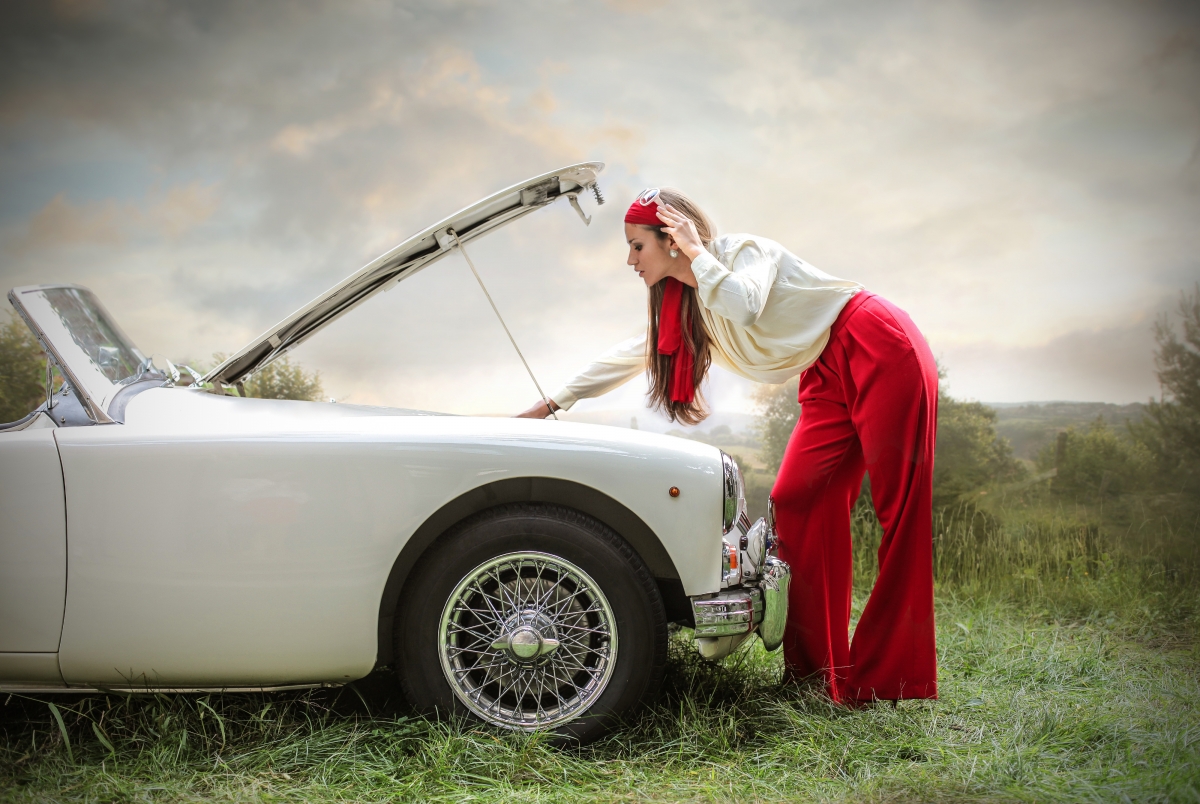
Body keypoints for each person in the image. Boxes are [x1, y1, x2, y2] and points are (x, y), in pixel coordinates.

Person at [517, 188, 938, 705]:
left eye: (637, 246)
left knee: (900, 509)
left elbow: (744, 305)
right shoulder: (689, 304)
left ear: (671, 240)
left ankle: (887, 680)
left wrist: (697, 251)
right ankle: (815, 674)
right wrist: (553, 403)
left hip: (875, 339)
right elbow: (634, 352)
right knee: (799, 500)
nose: (629, 261)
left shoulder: (742, 256)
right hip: (824, 365)